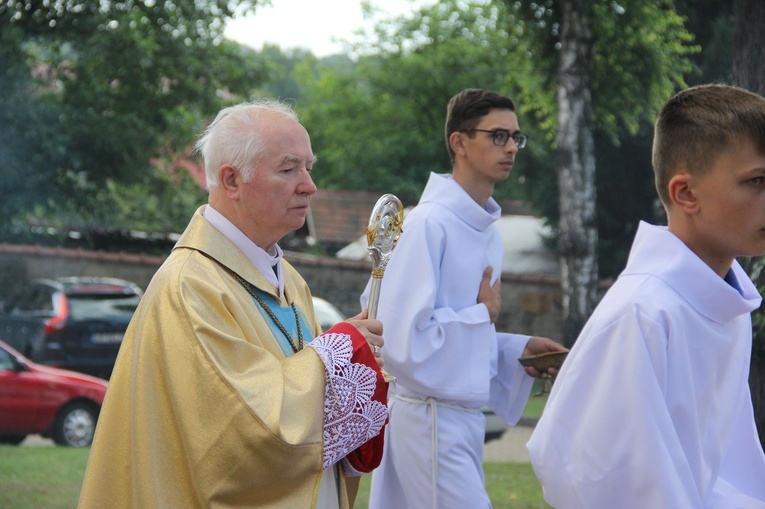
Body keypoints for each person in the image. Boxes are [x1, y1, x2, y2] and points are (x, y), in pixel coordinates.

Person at [78, 100, 389, 509]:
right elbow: (237, 438)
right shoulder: (189, 285)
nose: (309, 185)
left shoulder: (290, 279)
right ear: (231, 180)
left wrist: (349, 366)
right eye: (289, 168)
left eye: (309, 168)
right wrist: (337, 353)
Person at [527, 84, 765, 508]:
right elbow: (590, 472)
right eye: (757, 181)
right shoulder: (643, 313)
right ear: (685, 193)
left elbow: (728, 464)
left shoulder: (726, 306)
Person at [365, 88, 567, 509]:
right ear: (459, 142)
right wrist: (483, 314)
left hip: (457, 421)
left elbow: (453, 333)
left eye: (516, 137)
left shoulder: (486, 231)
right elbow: (400, 343)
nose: (511, 147)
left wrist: (516, 350)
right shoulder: (426, 225)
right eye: (498, 136)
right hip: (428, 420)